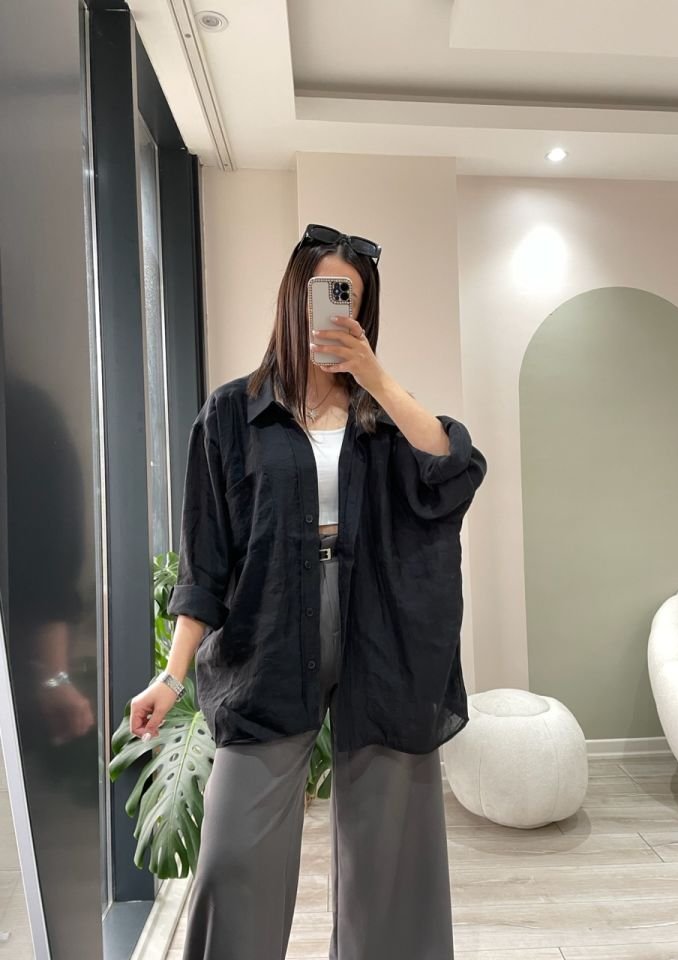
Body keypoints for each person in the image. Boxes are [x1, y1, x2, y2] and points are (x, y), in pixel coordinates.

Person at [129, 223, 488, 959]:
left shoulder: (385, 418)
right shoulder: (232, 414)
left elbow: (455, 469)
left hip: (379, 637)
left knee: (391, 871)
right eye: (326, 293)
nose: (336, 309)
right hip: (267, 636)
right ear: (295, 299)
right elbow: (206, 561)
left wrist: (376, 377)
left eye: (350, 298)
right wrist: (172, 675)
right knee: (235, 863)